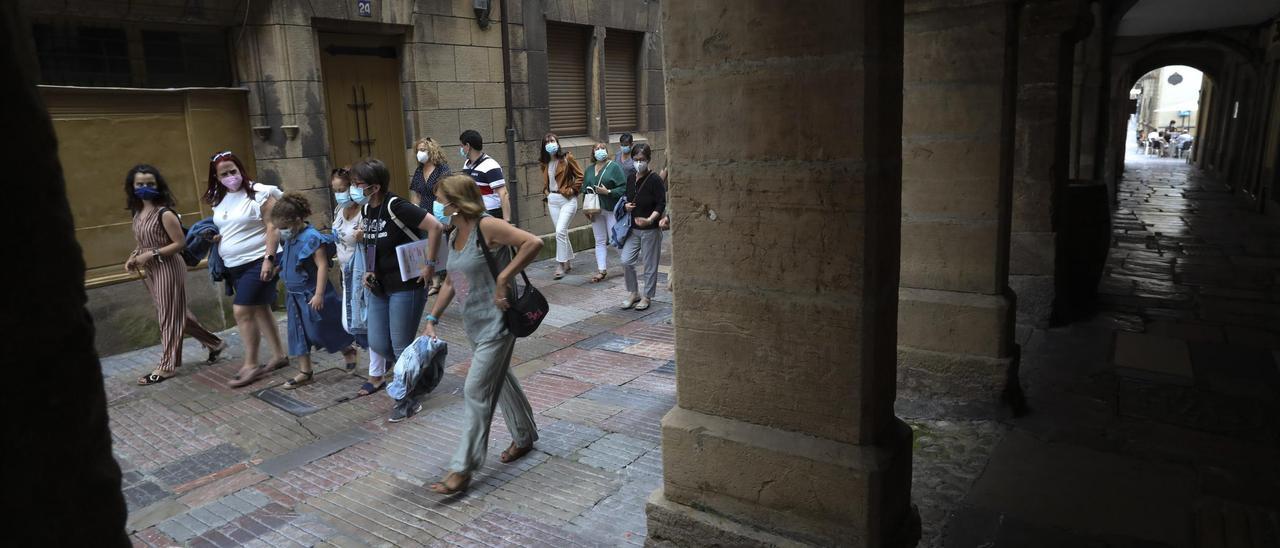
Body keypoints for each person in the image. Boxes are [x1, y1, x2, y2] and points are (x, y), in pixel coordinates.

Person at [422, 174, 543, 495]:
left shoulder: (486, 226)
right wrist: (433, 316)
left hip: (499, 322)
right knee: (501, 380)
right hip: (474, 324)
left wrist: (504, 278)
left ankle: (463, 468)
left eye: (441, 199)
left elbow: (533, 242)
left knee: (476, 390)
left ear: (457, 202)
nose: (438, 205)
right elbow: (453, 282)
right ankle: (524, 436)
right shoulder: (453, 235)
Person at [353, 158, 444, 421]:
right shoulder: (368, 210)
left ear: (375, 186)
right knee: (379, 343)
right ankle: (422, 370)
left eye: (358, 184)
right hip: (379, 286)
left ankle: (407, 399)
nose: (354, 189)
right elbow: (371, 243)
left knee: (401, 344)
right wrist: (369, 270)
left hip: (407, 285)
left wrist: (430, 265)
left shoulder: (397, 206)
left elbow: (435, 227)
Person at [124, 164, 226, 385]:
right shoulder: (139, 212)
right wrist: (133, 257)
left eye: (150, 184)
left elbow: (179, 244)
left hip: (169, 267)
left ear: (158, 185)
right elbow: (143, 242)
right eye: (140, 184)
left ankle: (166, 366)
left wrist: (150, 255)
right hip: (152, 268)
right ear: (132, 187)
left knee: (168, 316)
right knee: (175, 313)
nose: (145, 188)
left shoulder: (165, 213)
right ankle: (215, 343)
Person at [206, 151, 288, 388]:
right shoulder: (219, 199)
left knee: (242, 311)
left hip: (259, 260)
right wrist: (217, 238)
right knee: (260, 308)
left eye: (233, 171)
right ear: (216, 177)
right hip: (235, 265)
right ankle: (279, 355)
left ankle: (251, 364)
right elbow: (229, 226)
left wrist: (268, 259)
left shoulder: (260, 194)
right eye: (224, 174)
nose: (231, 176)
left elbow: (272, 227)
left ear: (241, 170)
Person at [269, 193, 357, 389]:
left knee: (321, 329)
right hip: (294, 294)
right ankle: (305, 371)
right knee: (297, 333)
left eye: (283, 227)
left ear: (297, 220)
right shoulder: (290, 237)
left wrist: (318, 294)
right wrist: (277, 268)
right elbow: (290, 258)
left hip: (312, 293)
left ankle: (347, 348)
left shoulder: (312, 238)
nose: (280, 232)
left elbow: (323, 266)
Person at [330, 167, 389, 396]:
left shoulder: (366, 211)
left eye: (343, 189)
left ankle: (376, 374)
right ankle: (385, 351)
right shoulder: (338, 209)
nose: (340, 194)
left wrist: (365, 235)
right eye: (335, 190)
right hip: (346, 274)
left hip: (364, 274)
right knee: (350, 324)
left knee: (368, 323)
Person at [620, 143, 666, 312]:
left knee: (650, 264)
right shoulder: (631, 177)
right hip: (633, 228)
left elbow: (661, 204)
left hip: (650, 229)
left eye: (642, 160)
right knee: (626, 260)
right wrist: (626, 206)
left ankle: (647, 296)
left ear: (648, 160)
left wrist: (650, 219)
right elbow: (627, 197)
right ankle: (634, 293)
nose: (639, 163)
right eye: (636, 159)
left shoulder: (655, 180)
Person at [540, 132, 583, 279]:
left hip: (567, 199)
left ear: (557, 143)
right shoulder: (544, 162)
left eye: (552, 141)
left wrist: (572, 190)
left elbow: (580, 176)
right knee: (561, 232)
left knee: (559, 231)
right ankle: (568, 262)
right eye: (546, 142)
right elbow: (547, 180)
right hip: (552, 199)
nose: (549, 144)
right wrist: (547, 192)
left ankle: (561, 263)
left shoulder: (567, 158)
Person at [583, 142, 627, 283]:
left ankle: (627, 265)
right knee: (600, 240)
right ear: (593, 152)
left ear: (607, 151)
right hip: (595, 210)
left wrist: (608, 191)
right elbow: (585, 190)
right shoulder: (589, 170)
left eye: (603, 148)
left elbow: (623, 188)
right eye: (597, 148)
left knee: (616, 239)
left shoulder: (614, 167)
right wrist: (586, 209)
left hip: (610, 208)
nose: (600, 150)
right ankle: (601, 270)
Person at [459, 130, 509, 221]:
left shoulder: (490, 165)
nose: (461, 149)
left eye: (461, 146)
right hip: (473, 212)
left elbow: (503, 194)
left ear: (468, 146)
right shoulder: (467, 164)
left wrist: (507, 221)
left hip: (490, 213)